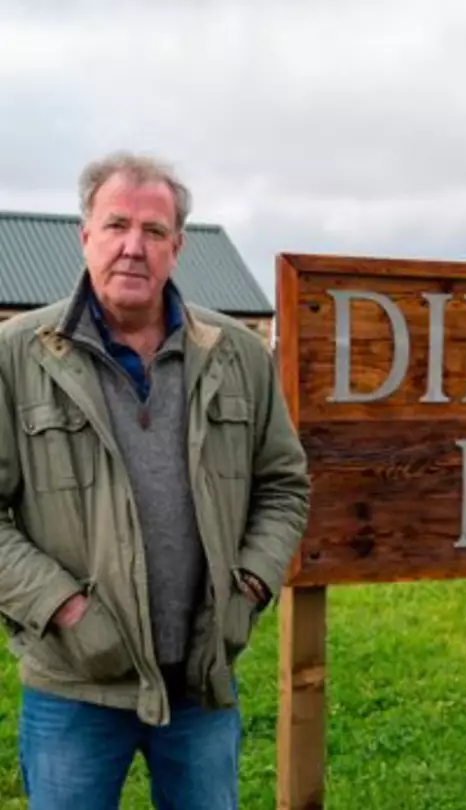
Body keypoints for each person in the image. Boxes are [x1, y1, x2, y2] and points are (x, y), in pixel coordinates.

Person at [0, 152, 311, 809]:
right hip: (73, 687)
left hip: (200, 683)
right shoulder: (16, 357)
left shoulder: (240, 356)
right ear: (84, 235)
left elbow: (284, 484)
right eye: (116, 226)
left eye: (154, 231)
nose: (133, 248)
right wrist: (64, 607)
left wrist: (248, 585)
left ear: (179, 246)